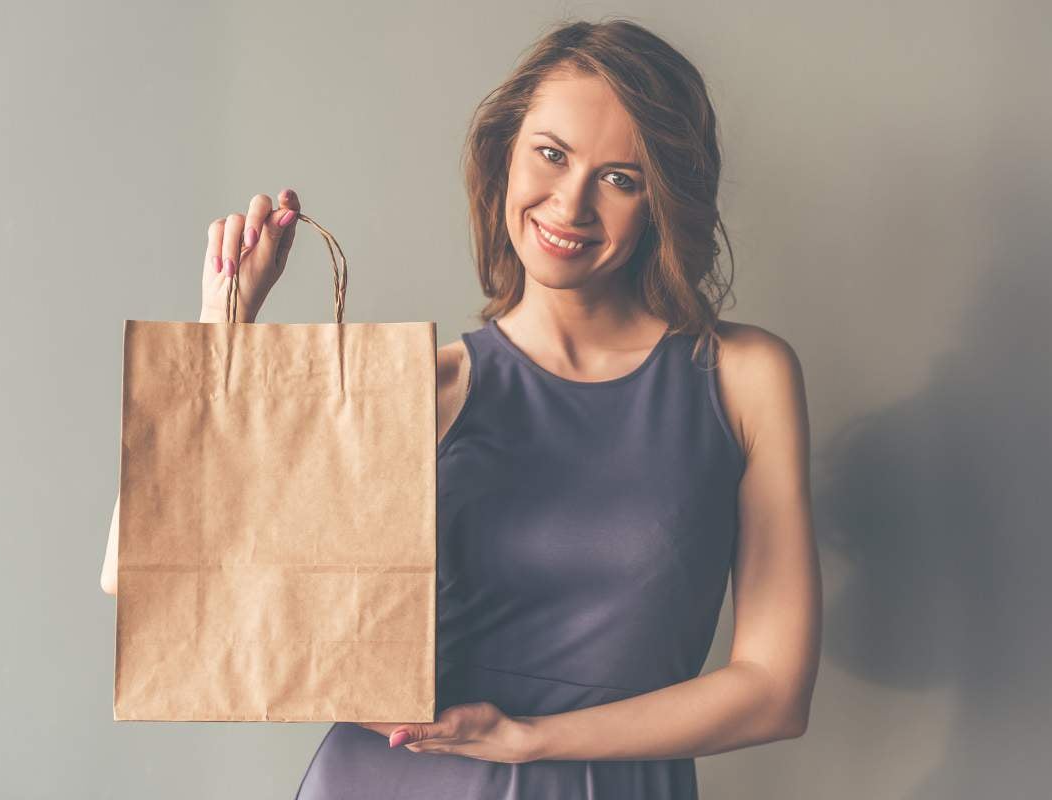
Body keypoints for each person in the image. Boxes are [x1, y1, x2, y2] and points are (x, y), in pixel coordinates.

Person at [101, 17, 821, 799]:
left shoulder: (743, 376)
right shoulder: (418, 388)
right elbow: (141, 571)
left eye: (622, 177)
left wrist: (528, 740)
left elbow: (775, 691)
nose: (571, 202)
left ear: (663, 200)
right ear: (504, 158)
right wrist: (226, 333)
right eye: (551, 154)